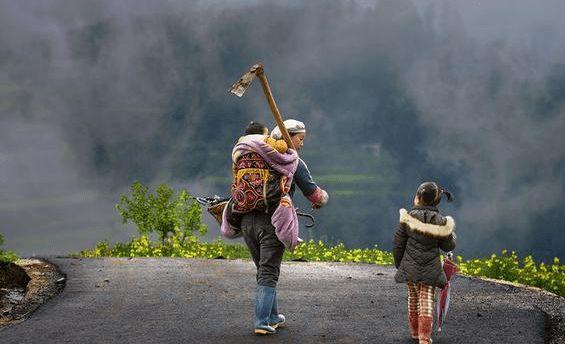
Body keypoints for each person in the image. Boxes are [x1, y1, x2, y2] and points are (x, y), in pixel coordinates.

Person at [221, 121, 299, 335]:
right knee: (269, 270)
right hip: (270, 219)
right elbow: (289, 155)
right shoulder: (270, 148)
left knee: (264, 269)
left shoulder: (239, 153)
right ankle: (262, 321)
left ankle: (272, 316)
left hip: (245, 220)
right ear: (263, 136)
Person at [392, 182, 456, 344]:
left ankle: (414, 332)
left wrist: (400, 264)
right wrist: (451, 237)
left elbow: (398, 243)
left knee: (413, 299)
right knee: (426, 301)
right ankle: (424, 338)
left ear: (418, 198)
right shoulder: (441, 221)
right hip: (431, 268)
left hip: (410, 267)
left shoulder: (407, 218)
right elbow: (447, 246)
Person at [270, 119, 329, 208]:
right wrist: (322, 199)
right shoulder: (293, 161)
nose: (302, 144)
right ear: (287, 136)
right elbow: (316, 195)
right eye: (300, 139)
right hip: (275, 216)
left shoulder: (259, 154)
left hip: (244, 216)